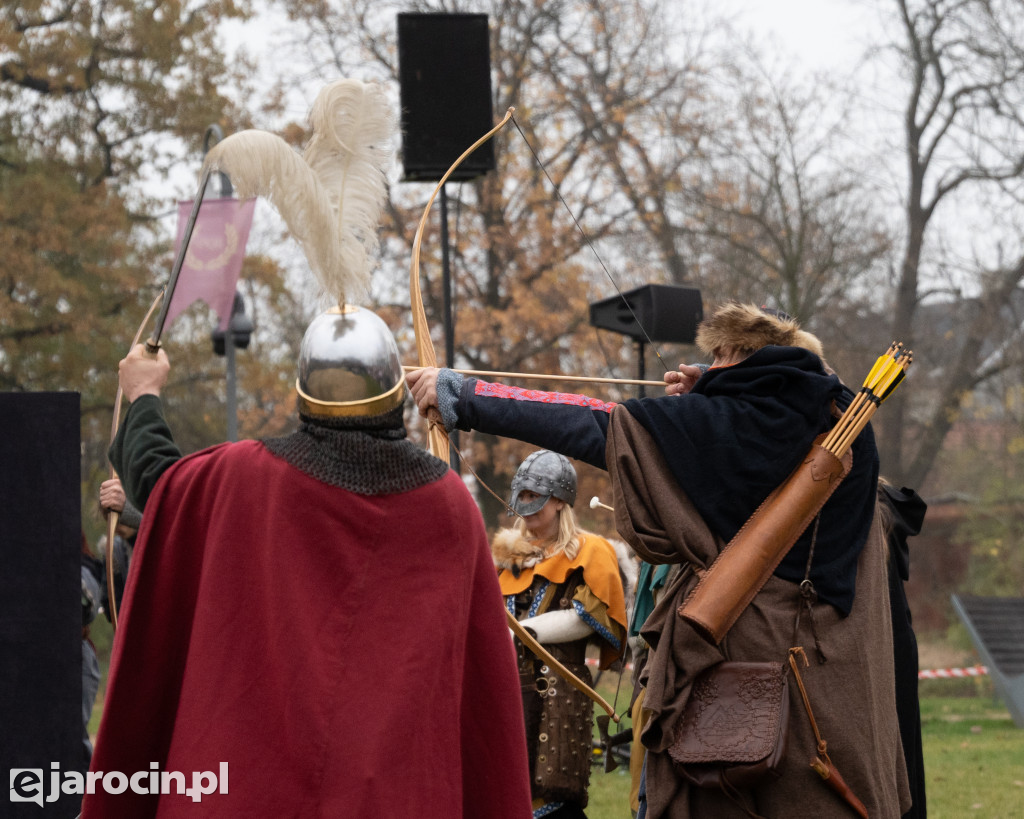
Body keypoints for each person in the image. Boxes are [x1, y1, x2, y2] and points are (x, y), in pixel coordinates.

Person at [82, 77, 532, 818]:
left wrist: (144, 393)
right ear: (394, 398)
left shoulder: (243, 479)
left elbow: (159, 481)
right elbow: (482, 703)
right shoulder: (449, 503)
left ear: (302, 397)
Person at [408, 302, 911, 818]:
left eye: (718, 355)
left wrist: (465, 396)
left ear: (734, 351)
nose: (710, 366)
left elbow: (593, 425)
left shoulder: (729, 423)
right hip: (838, 696)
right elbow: (754, 445)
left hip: (755, 700)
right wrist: (714, 392)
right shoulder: (839, 418)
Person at [492, 450, 627, 818]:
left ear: (559, 500)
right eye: (523, 496)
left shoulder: (590, 551)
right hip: (506, 689)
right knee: (503, 791)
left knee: (555, 798)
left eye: (536, 497)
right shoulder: (508, 559)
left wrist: (523, 631)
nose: (528, 506)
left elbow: (589, 616)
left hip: (559, 693)